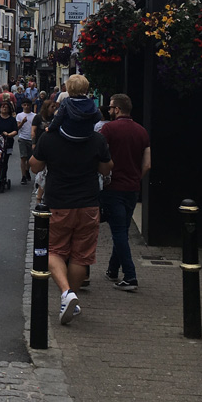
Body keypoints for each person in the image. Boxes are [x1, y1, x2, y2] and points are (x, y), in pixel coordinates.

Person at [30, 95, 112, 325]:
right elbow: (106, 170)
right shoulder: (97, 140)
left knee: (53, 250)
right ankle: (70, 298)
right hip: (88, 203)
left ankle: (67, 293)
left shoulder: (51, 138)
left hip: (58, 202)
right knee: (80, 255)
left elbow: (35, 165)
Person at [100, 94, 151, 292]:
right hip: (132, 189)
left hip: (113, 188)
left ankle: (130, 276)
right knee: (121, 229)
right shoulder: (142, 132)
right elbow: (147, 164)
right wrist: (136, 178)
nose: (109, 110)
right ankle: (113, 270)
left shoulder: (108, 129)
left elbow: (101, 158)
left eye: (111, 107)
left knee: (119, 232)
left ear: (118, 109)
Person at [31, 98, 57, 203]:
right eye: (52, 107)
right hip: (40, 144)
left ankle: (41, 192)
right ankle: (39, 193)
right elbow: (33, 131)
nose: (54, 109)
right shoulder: (38, 118)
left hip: (51, 145)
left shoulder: (55, 118)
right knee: (41, 169)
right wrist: (33, 143)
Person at [16, 99, 35, 184]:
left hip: (31, 138)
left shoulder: (34, 116)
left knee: (30, 158)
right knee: (23, 157)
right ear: (22, 106)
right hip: (22, 138)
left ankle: (27, 170)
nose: (26, 106)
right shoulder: (19, 115)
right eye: (25, 105)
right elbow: (17, 128)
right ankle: (23, 176)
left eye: (28, 105)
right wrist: (22, 122)